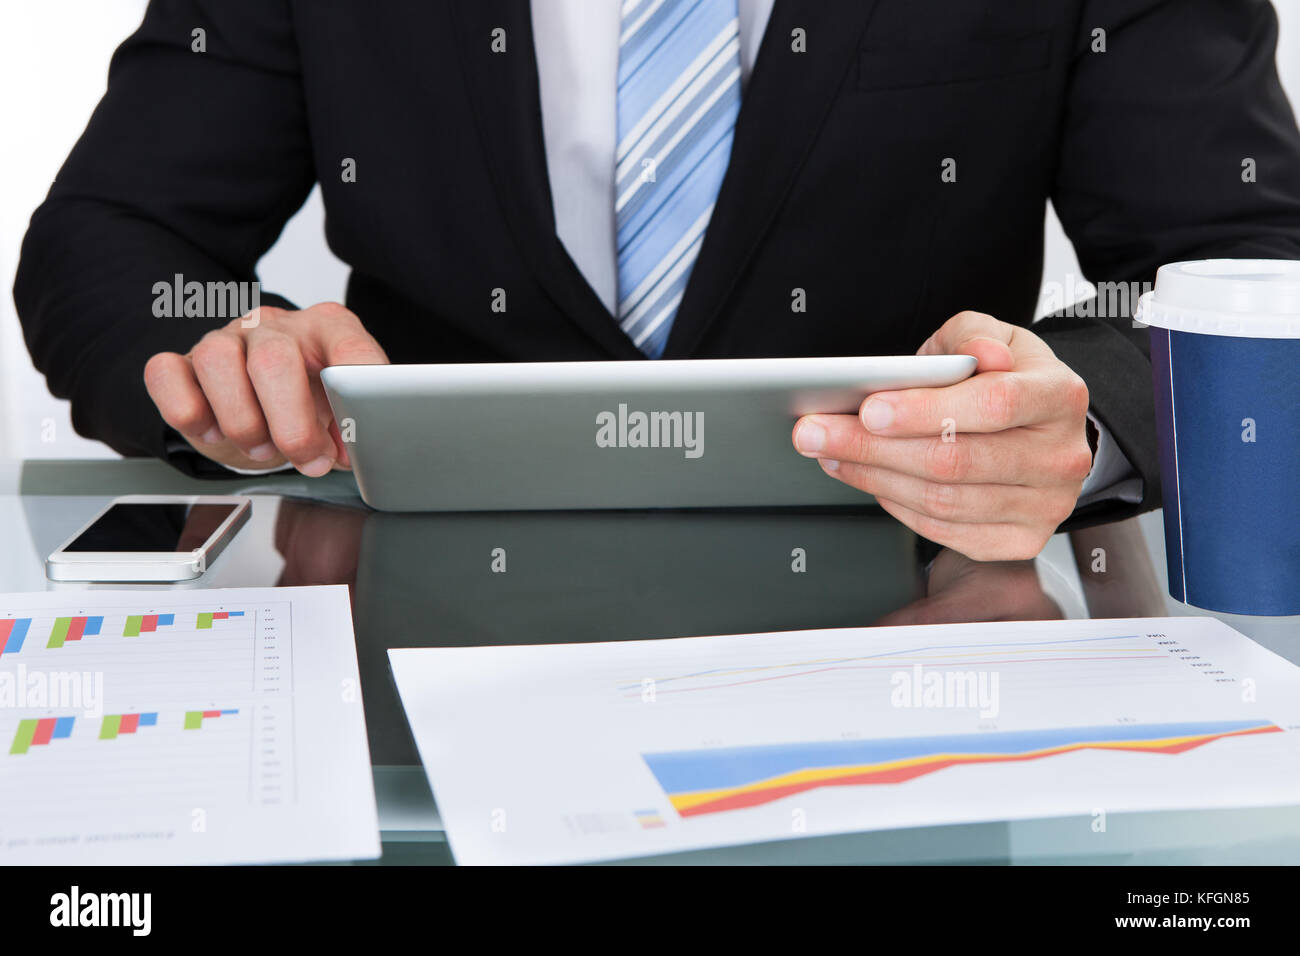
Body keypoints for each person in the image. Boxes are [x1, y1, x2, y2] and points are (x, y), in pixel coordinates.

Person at [15, 0, 1300, 561]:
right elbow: (110, 233)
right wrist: (226, 360)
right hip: (418, 614)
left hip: (922, 617)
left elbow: (1251, 256)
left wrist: (1085, 421)